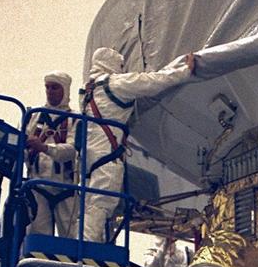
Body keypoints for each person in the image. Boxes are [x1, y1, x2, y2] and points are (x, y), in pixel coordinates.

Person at [78, 48, 197, 243]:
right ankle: (86, 249)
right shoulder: (115, 84)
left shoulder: (87, 92)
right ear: (112, 64)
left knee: (90, 202)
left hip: (89, 156)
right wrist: (184, 71)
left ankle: (88, 243)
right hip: (107, 154)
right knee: (102, 202)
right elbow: (152, 81)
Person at [24, 72, 77, 237]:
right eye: (47, 87)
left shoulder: (75, 119)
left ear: (65, 90)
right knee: (38, 235)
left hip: (66, 187)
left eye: (55, 87)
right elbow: (22, 145)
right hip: (38, 186)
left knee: (70, 236)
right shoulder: (33, 116)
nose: (50, 91)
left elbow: (73, 150)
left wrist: (45, 148)